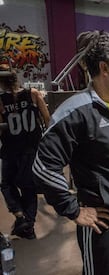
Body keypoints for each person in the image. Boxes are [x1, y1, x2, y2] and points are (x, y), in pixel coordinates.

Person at [32, 30, 109, 275]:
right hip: (102, 224)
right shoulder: (76, 111)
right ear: (104, 68)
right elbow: (43, 166)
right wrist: (72, 209)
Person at [0, 63, 50, 239]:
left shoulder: (0, 100)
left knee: (7, 184)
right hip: (31, 149)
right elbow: (47, 119)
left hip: (11, 149)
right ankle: (28, 224)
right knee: (29, 187)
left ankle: (20, 216)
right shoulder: (33, 94)